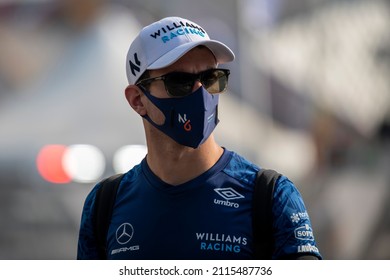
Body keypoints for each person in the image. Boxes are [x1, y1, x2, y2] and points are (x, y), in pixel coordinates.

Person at [77, 16, 322, 260]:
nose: (200, 93)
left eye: (211, 78)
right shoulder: (104, 205)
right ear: (137, 100)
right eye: (179, 82)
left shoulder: (271, 196)